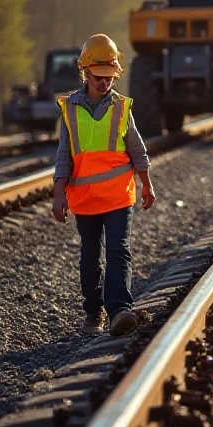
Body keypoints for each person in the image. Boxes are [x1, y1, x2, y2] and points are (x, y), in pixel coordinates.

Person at [52, 34, 157, 337]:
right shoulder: (70, 109)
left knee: (118, 250)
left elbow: (137, 149)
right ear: (85, 72)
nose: (105, 83)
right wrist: (59, 194)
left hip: (118, 196)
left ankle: (119, 311)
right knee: (89, 257)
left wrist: (147, 184)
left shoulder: (122, 107)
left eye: (110, 77)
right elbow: (63, 155)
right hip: (84, 198)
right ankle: (92, 311)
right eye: (99, 77)